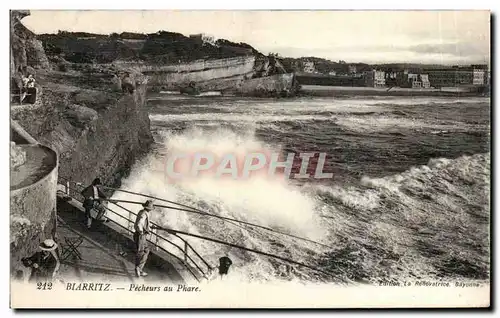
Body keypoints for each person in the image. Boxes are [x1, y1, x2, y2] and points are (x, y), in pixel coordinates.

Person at [133, 200, 155, 277]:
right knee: (141, 252)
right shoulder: (144, 214)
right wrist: (141, 232)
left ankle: (139, 269)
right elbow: (139, 223)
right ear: (149, 208)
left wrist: (149, 227)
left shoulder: (141, 211)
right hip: (140, 235)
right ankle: (138, 268)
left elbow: (143, 223)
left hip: (139, 235)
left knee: (145, 251)